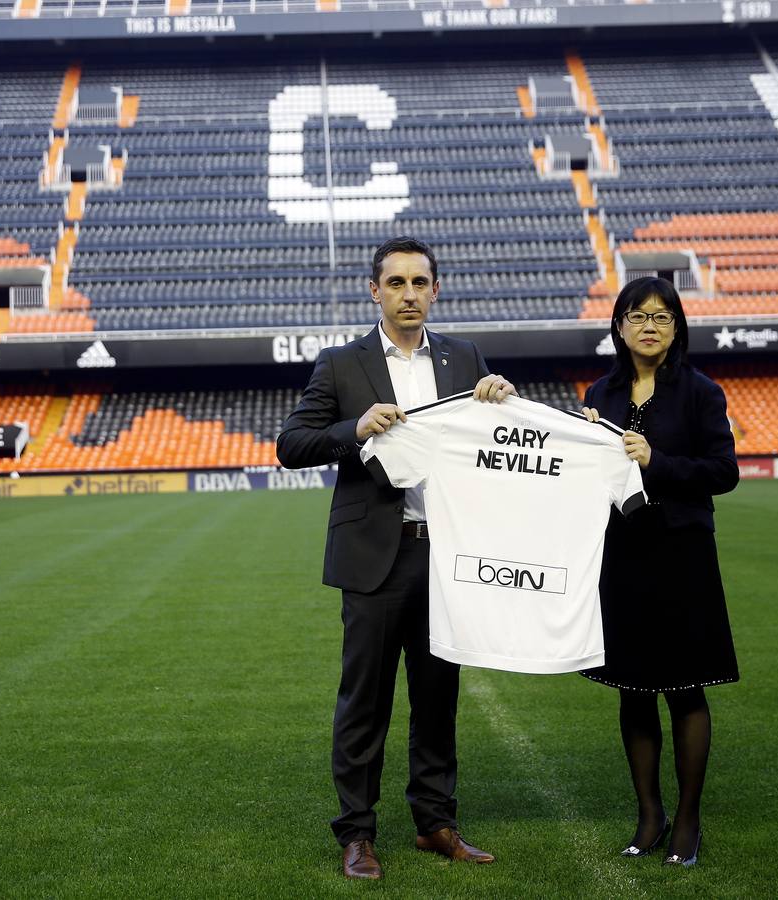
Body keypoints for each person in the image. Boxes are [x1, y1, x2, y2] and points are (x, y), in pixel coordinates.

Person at [276, 236, 514, 880]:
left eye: (420, 282)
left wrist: (501, 396)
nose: (409, 294)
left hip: (448, 556)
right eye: (396, 283)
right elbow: (291, 443)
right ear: (374, 290)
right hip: (375, 558)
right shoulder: (340, 365)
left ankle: (435, 824)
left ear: (436, 290)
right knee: (365, 701)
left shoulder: (466, 359)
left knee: (438, 699)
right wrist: (354, 429)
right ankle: (356, 834)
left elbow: (494, 443)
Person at [578, 276, 740, 868]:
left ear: (678, 328)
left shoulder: (700, 392)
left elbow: (723, 472)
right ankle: (649, 815)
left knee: (685, 688)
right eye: (638, 315)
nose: (650, 325)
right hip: (622, 556)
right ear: (619, 325)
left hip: (682, 556)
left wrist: (657, 462)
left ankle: (688, 820)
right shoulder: (602, 390)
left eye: (663, 317)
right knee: (633, 688)